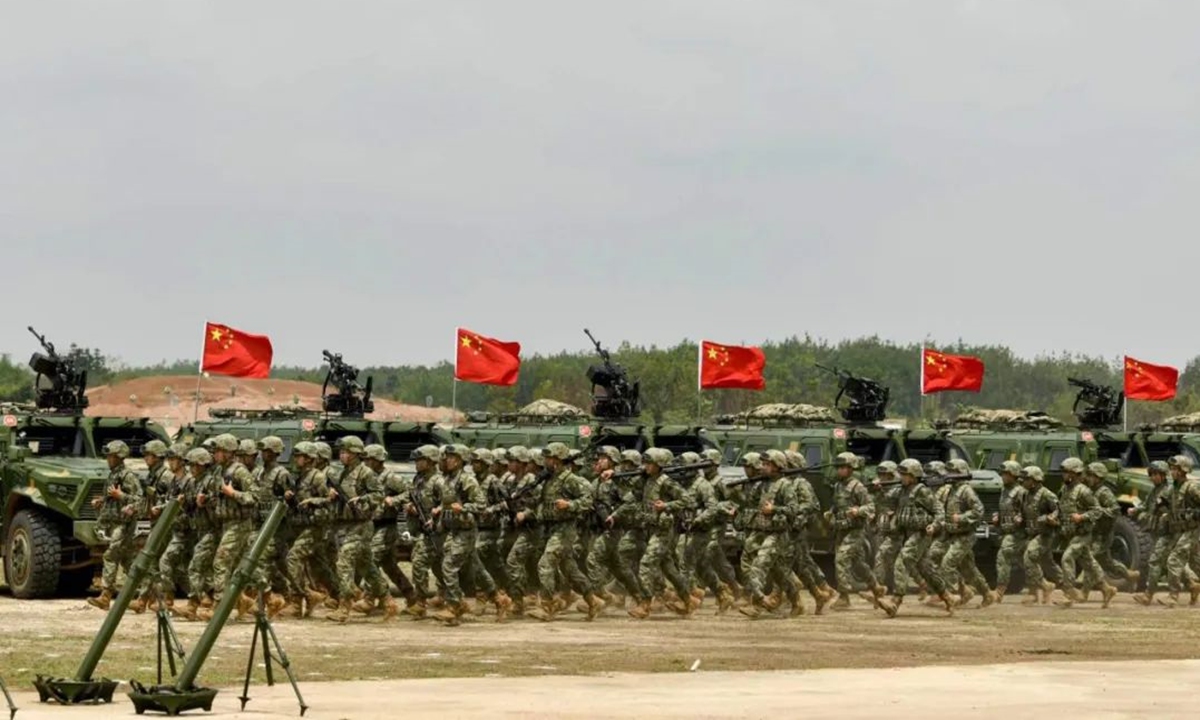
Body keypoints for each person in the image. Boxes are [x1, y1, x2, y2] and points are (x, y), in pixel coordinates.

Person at [527, 443, 603, 622]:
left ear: (558, 460)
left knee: (545, 564)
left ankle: (547, 605)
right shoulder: (549, 479)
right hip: (550, 528)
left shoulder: (571, 479)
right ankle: (593, 601)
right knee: (570, 570)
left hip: (565, 529)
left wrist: (570, 505)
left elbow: (588, 500)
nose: (546, 461)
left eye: (549, 458)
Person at [327, 436, 390, 623]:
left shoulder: (366, 473)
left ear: (355, 454)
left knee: (344, 561)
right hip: (345, 525)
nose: (342, 455)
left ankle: (344, 605)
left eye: (346, 452)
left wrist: (362, 499)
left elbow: (379, 494)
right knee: (367, 567)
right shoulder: (341, 473)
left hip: (362, 525)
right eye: (341, 452)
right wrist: (332, 495)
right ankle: (387, 600)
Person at [738, 450, 805, 618]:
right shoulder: (761, 485)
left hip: (777, 534)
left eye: (767, 465)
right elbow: (751, 504)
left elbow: (793, 509)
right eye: (763, 464)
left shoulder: (784, 485)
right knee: (777, 571)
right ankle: (796, 600)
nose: (763, 467)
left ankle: (758, 603)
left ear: (777, 466)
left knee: (758, 567)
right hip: (760, 531)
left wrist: (774, 509)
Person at [203, 433, 259, 621]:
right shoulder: (220, 471)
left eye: (218, 451)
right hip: (225, 524)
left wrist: (233, 493)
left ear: (228, 452)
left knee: (221, 562)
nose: (215, 455)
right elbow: (218, 497)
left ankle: (219, 605)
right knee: (236, 566)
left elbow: (254, 497)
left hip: (239, 524)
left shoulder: (240, 471)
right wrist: (206, 500)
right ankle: (243, 600)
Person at [891, 459, 956, 615]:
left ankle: (895, 600)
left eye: (904, 475)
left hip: (921, 533)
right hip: (908, 533)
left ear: (913, 476)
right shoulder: (902, 490)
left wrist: (935, 525)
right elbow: (888, 498)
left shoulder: (922, 491)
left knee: (903, 559)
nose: (901, 477)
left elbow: (939, 510)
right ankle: (947, 596)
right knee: (926, 569)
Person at [87, 440, 145, 610]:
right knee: (128, 562)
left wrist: (121, 496)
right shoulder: (113, 475)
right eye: (108, 456)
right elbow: (112, 497)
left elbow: (139, 501)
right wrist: (102, 501)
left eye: (112, 456)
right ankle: (147, 594)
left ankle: (106, 595)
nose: (108, 459)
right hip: (114, 523)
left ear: (120, 457)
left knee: (110, 556)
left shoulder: (128, 476)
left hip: (125, 524)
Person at [828, 452, 886, 610]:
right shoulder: (838, 485)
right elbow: (838, 504)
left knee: (841, 558)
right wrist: (831, 512)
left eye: (842, 468)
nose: (839, 471)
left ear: (850, 469)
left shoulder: (858, 487)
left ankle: (844, 596)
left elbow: (870, 507)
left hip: (856, 530)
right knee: (858, 563)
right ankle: (876, 587)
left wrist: (858, 511)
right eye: (838, 467)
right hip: (842, 529)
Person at [364, 443, 417, 611]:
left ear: (378, 460)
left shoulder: (391, 477)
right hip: (373, 524)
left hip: (387, 525)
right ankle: (410, 593)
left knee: (371, 560)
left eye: (370, 459)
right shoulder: (368, 476)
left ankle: (369, 598)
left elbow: (410, 493)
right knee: (389, 566)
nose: (367, 462)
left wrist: (393, 501)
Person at [1052, 458, 1107, 608]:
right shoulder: (1064, 489)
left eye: (1066, 472)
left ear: (1074, 474)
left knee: (1067, 558)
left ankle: (1068, 594)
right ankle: (1107, 589)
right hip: (1070, 533)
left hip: (1083, 534)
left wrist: (1082, 517)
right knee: (1089, 563)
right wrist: (1054, 516)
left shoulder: (1084, 491)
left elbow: (1097, 510)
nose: (1063, 475)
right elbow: (1060, 507)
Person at [1082, 462, 1132, 603]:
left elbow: (1115, 510)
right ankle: (1129, 575)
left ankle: (1084, 593)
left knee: (1089, 559)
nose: (1088, 478)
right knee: (1108, 562)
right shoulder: (1091, 491)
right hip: (1095, 533)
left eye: (1091, 476)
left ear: (1098, 477)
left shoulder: (1104, 492)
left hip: (1103, 534)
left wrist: (1099, 512)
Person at [1131, 461, 1174, 605]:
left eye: (1156, 474)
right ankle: (1192, 585)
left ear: (1163, 475)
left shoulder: (1169, 490)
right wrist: (1135, 510)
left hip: (1168, 532)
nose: (1153, 477)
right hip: (1157, 530)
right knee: (1169, 561)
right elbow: (1146, 504)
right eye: (1152, 474)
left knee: (1155, 561)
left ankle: (1148, 595)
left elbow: (1170, 509)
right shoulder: (1154, 490)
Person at [1163, 455, 1200, 607]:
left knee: (1173, 560)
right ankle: (1193, 587)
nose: (1172, 472)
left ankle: (1173, 596)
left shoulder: (1191, 487)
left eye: (1175, 469)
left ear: (1183, 470)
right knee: (1196, 564)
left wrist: (1194, 514)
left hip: (1192, 530)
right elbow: (1166, 504)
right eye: (1171, 469)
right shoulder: (1172, 488)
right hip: (1179, 531)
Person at [992, 461, 1027, 601]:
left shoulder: (1021, 492)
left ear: (1014, 475)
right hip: (1005, 531)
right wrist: (998, 517)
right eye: (1002, 474)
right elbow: (1005, 508)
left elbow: (1030, 510)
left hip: (1017, 533)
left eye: (1006, 474)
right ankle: (1042, 585)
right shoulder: (1004, 490)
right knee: (1024, 562)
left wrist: (1021, 518)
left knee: (1003, 556)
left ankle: (1000, 590)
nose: (1003, 477)